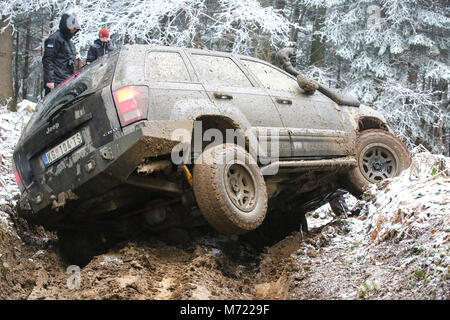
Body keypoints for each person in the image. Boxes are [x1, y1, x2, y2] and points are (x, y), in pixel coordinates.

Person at [42, 13, 81, 96]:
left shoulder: (70, 43)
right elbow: (47, 59)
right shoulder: (54, 39)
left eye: (75, 29)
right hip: (55, 82)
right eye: (73, 28)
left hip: (66, 81)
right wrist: (50, 80)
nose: (74, 31)